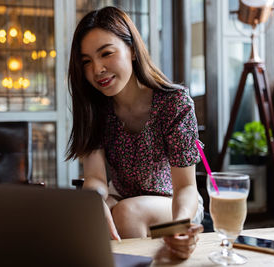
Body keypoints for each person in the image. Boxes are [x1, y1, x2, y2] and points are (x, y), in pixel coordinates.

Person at [66, 6, 204, 259]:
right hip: (122, 196)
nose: (97, 69)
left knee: (128, 212)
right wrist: (96, 201)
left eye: (106, 53)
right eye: (87, 61)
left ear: (131, 50)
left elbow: (186, 187)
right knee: (86, 218)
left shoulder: (174, 102)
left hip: (175, 202)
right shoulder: (94, 108)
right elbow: (95, 178)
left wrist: (180, 225)